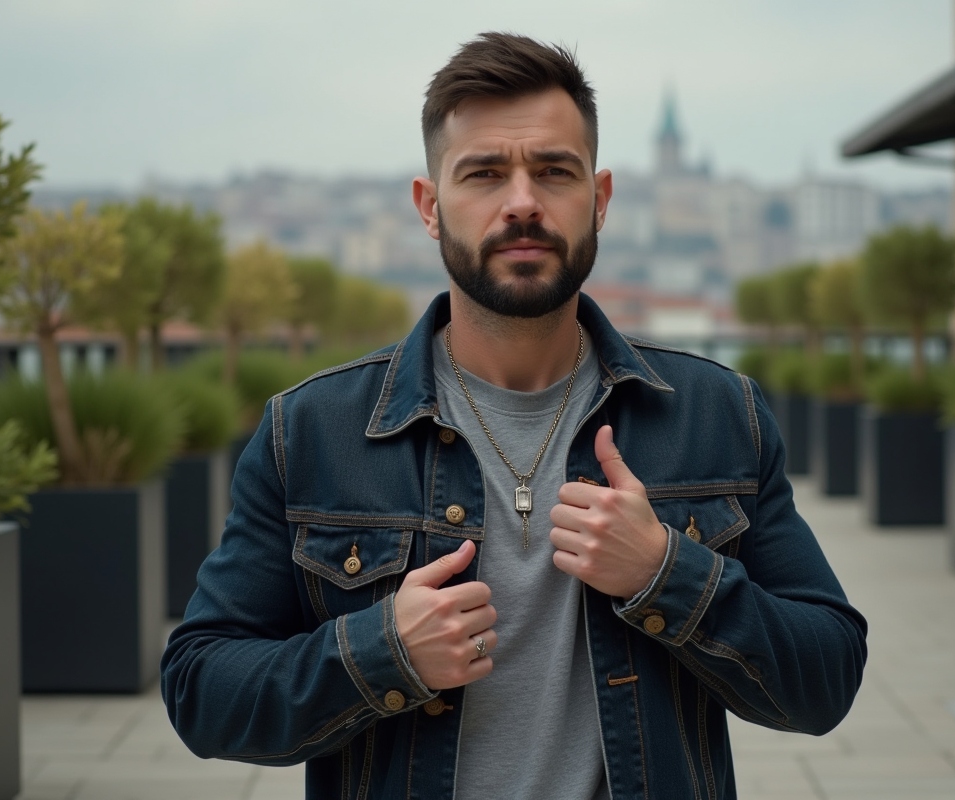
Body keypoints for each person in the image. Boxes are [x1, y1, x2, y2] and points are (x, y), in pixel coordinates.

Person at [161, 32, 868, 800]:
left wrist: (669, 574)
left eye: (554, 171)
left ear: (598, 200)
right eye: (485, 173)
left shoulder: (719, 415)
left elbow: (826, 679)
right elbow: (201, 690)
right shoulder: (311, 433)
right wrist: (382, 652)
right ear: (431, 208)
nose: (523, 201)